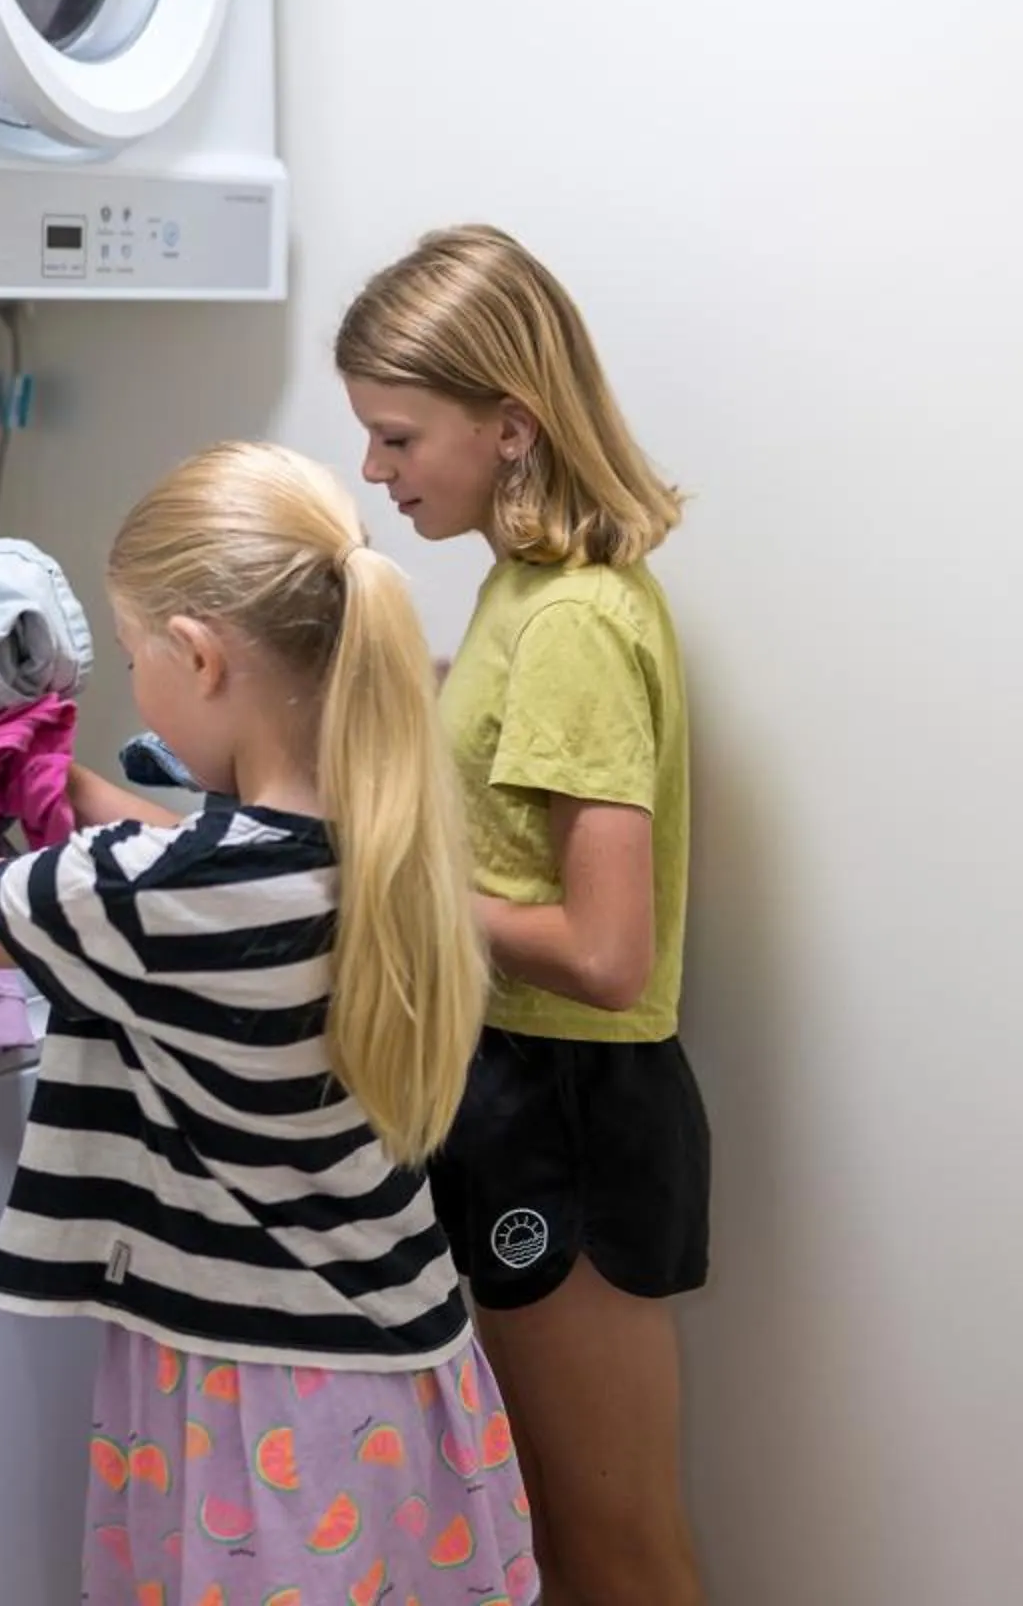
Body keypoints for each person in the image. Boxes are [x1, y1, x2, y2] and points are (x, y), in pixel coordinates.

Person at [0, 441, 539, 1606]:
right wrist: (53, 791)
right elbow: (170, 849)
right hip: (405, 1381)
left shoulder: (160, 897)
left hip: (261, 1403)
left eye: (131, 651)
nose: (127, 684)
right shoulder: (386, 834)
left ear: (201, 657)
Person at [338, 224, 709, 1604]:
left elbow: (608, 957)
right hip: (516, 1095)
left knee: (614, 1540)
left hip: (575, 1109)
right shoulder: (521, 596)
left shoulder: (569, 629)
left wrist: (394, 872)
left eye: (395, 436)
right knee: (541, 1531)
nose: (375, 472)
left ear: (509, 426)